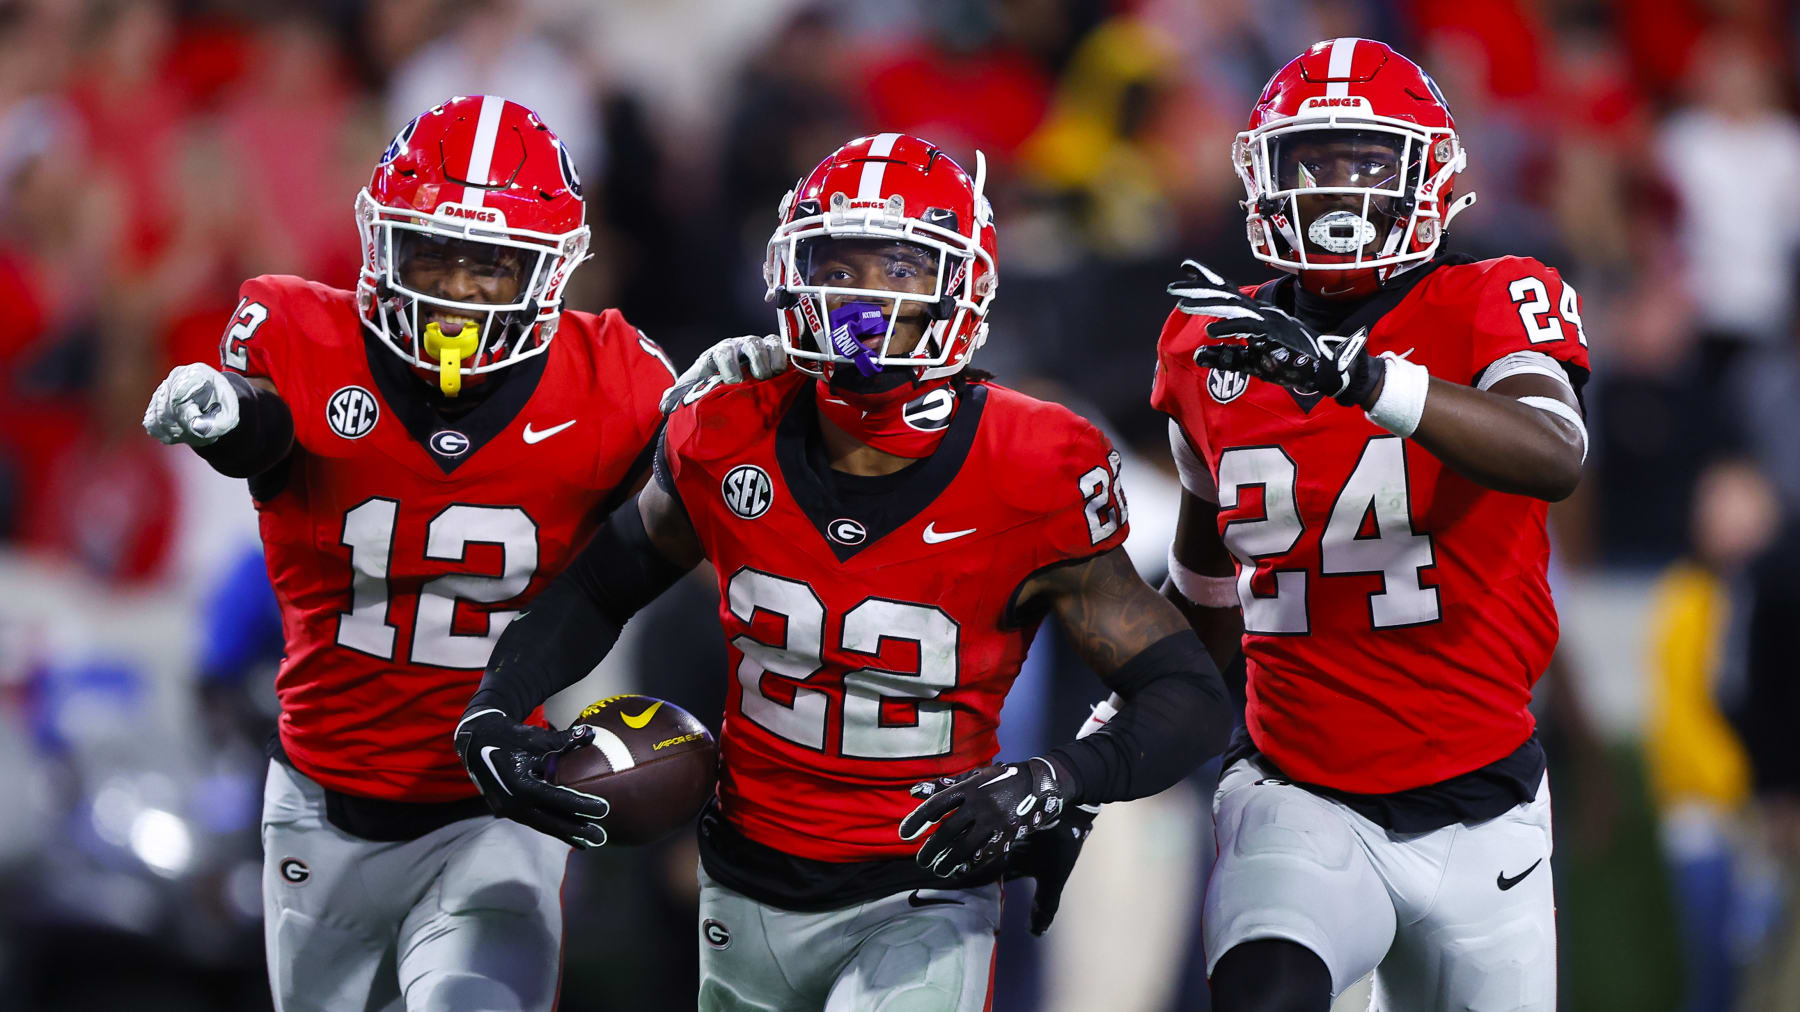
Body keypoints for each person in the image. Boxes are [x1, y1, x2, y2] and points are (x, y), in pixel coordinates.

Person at [453, 133, 1232, 1010]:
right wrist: (495, 703)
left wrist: (1061, 780)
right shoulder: (726, 429)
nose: (862, 298)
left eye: (899, 268)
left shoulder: (1031, 464)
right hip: (743, 885)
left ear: (963, 286)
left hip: (922, 891)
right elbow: (598, 588)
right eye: (837, 265)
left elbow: (1186, 693)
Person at [141, 95, 711, 1012]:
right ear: (382, 244)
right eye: (433, 253)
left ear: (549, 267)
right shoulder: (298, 331)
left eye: (490, 264)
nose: (456, 289)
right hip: (320, 806)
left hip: (494, 807)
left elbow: (702, 537)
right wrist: (226, 416)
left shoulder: (616, 380)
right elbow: (265, 427)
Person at [1153, 39, 1590, 1012]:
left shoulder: (1490, 297)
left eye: (1368, 160)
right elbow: (1205, 594)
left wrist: (1366, 377)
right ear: (1266, 177)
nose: (1340, 188)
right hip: (1299, 790)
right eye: (1313, 162)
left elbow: (1555, 451)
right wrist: (1096, 752)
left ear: (1429, 174)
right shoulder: (1207, 342)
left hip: (1485, 804)